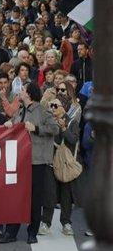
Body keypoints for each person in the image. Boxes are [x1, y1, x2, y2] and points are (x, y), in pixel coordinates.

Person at [0, 82, 59, 244]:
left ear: (29, 94)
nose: (20, 92)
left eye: (23, 90)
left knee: (35, 198)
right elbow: (16, 126)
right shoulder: (20, 111)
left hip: (36, 161)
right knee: (16, 196)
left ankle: (32, 232)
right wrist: (10, 124)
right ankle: (11, 232)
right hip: (20, 160)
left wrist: (36, 128)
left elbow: (55, 128)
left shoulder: (43, 110)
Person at [43, 96, 80, 236]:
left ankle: (66, 223)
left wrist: (64, 128)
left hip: (65, 164)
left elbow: (73, 139)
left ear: (63, 108)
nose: (52, 108)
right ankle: (45, 223)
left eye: (55, 105)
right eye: (50, 105)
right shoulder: (48, 121)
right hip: (50, 163)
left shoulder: (72, 122)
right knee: (49, 194)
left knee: (66, 195)